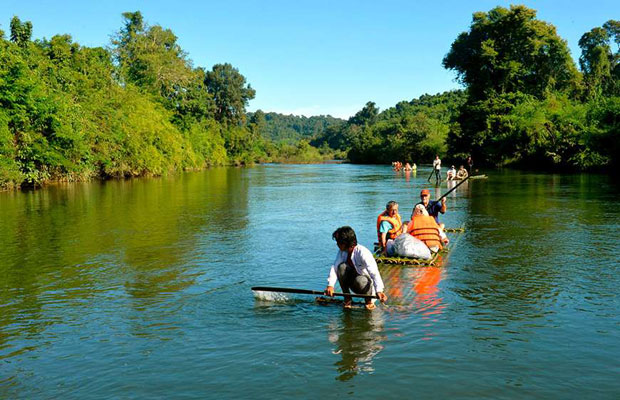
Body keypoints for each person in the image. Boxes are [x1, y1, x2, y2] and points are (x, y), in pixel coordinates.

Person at [325, 226, 388, 310]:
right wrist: (330, 285)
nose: (337, 244)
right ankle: (347, 298)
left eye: (338, 242)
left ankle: (368, 301)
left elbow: (374, 273)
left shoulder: (363, 252)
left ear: (345, 242)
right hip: (353, 283)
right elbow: (335, 267)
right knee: (341, 267)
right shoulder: (342, 252)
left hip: (365, 285)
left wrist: (379, 290)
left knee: (360, 280)